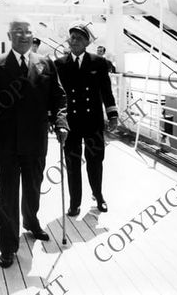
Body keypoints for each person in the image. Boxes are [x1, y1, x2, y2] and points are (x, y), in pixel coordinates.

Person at [0, 18, 69, 268]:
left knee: (34, 187)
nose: (23, 36)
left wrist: (61, 121)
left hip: (36, 140)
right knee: (7, 194)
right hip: (6, 143)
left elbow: (59, 97)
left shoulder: (45, 63)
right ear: (9, 35)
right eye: (18, 32)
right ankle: (7, 246)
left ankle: (31, 221)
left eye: (28, 32)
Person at [55, 23, 118, 215]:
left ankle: (98, 196)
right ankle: (75, 203)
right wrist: (56, 121)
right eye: (72, 37)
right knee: (73, 163)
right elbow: (56, 96)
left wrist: (112, 115)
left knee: (95, 160)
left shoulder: (98, 63)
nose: (74, 41)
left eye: (79, 38)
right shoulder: (60, 64)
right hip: (70, 123)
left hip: (93, 121)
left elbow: (106, 91)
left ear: (86, 43)